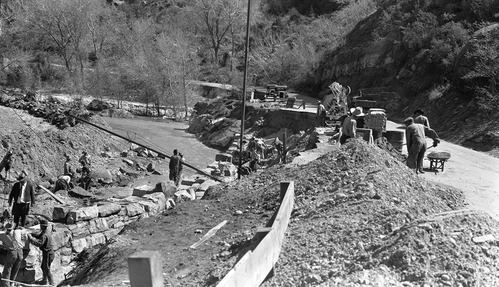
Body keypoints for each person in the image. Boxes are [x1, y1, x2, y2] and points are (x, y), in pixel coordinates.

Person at [27, 219, 54, 286]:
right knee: (43, 266)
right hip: (49, 252)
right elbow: (39, 235)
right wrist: (33, 234)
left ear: (42, 226)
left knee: (46, 268)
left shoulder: (44, 235)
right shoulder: (46, 231)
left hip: (48, 253)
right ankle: (44, 280)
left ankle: (52, 283)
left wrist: (31, 238)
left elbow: (39, 243)